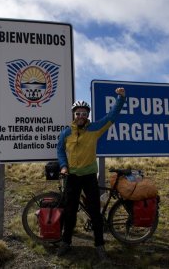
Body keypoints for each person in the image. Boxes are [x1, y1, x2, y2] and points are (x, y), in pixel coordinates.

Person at [56, 87, 126, 259]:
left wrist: (121, 98)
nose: (81, 116)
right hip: (72, 177)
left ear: (87, 115)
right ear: (74, 115)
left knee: (95, 212)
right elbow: (60, 151)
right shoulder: (66, 133)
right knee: (70, 211)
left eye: (84, 113)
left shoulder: (95, 129)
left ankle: (100, 245)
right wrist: (64, 166)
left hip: (89, 177)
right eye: (78, 113)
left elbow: (111, 117)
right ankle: (66, 243)